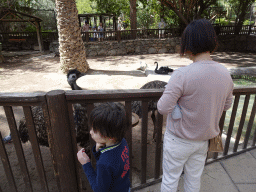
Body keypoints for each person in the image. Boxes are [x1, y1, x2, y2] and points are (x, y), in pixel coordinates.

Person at [157, 19, 234, 192]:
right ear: (211, 41)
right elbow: (227, 104)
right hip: (203, 141)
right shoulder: (225, 74)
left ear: (188, 44)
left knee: (170, 181)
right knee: (193, 180)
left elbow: (162, 107)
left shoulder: (182, 74)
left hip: (178, 140)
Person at [77, 102, 131, 192]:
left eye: (94, 130)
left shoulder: (104, 163)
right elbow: (112, 166)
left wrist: (86, 164)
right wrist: (98, 150)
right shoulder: (122, 142)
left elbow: (99, 189)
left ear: (110, 136)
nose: (90, 132)